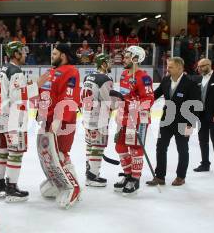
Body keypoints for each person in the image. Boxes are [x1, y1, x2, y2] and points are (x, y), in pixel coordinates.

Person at [0, 41, 48, 202]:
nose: (25, 55)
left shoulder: (5, 69)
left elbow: (10, 91)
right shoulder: (16, 71)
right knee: (15, 152)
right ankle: (11, 188)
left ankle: (0, 185)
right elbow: (16, 95)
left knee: (2, 151)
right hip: (14, 118)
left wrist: (28, 84)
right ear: (15, 54)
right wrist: (36, 85)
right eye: (23, 52)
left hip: (2, 116)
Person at [36, 43, 81, 209]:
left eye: (55, 54)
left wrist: (58, 119)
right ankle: (58, 182)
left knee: (61, 154)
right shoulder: (51, 72)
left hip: (62, 123)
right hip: (48, 120)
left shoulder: (71, 71)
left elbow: (69, 97)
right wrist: (40, 113)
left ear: (63, 55)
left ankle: (73, 186)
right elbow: (45, 94)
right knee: (51, 155)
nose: (52, 56)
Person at [146, 57, 201, 187]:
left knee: (182, 149)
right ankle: (159, 176)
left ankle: (181, 176)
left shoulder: (190, 83)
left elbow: (196, 104)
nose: (167, 69)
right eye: (168, 66)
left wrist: (191, 125)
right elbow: (155, 95)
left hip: (184, 122)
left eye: (170, 67)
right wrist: (143, 100)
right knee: (160, 147)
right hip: (166, 120)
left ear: (180, 68)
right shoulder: (166, 80)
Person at [113, 46, 154, 195]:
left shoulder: (144, 77)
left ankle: (135, 179)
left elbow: (149, 99)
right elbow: (125, 96)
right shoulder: (124, 74)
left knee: (136, 149)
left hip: (137, 119)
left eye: (126, 57)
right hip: (123, 118)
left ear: (135, 58)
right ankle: (128, 174)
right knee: (120, 147)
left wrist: (135, 107)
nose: (123, 59)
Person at [81, 53, 122, 187]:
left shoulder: (87, 77)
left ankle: (90, 172)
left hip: (87, 117)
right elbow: (108, 102)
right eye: (108, 62)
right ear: (103, 64)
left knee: (90, 145)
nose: (110, 64)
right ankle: (92, 176)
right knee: (97, 147)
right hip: (99, 118)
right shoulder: (105, 78)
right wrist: (119, 101)